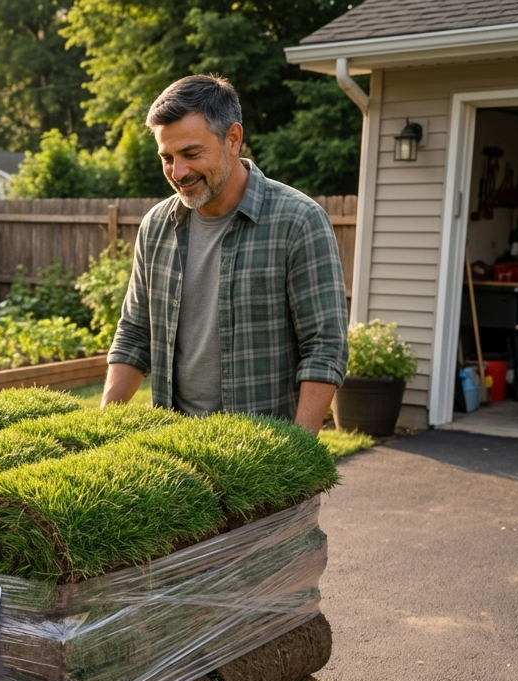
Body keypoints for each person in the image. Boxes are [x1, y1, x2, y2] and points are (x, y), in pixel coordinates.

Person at [102, 74, 349, 433]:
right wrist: (100, 433)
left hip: (265, 461)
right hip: (176, 458)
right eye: (167, 157)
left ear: (232, 139)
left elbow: (324, 347)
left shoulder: (298, 221)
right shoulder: (156, 226)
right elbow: (135, 336)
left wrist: (296, 456)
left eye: (191, 153)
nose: (178, 171)